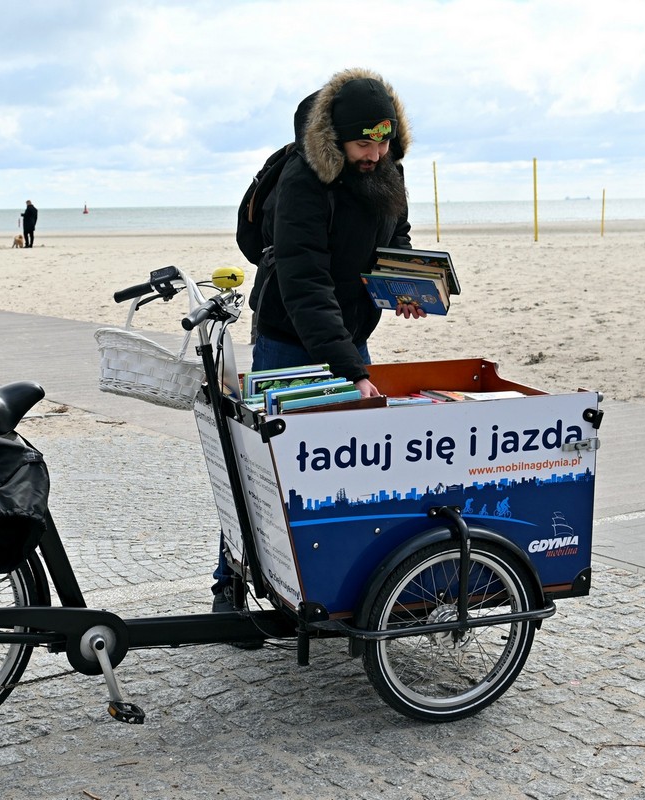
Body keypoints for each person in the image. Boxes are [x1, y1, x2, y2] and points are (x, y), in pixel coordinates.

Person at [213, 67, 423, 617]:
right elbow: (305, 284)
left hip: (349, 336)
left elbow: (396, 235)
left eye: (383, 143)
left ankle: (335, 585)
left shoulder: (387, 167)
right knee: (265, 468)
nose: (375, 155)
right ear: (337, 139)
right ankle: (229, 585)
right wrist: (351, 370)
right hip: (288, 335)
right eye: (363, 145)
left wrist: (403, 281)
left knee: (350, 464)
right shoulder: (303, 181)